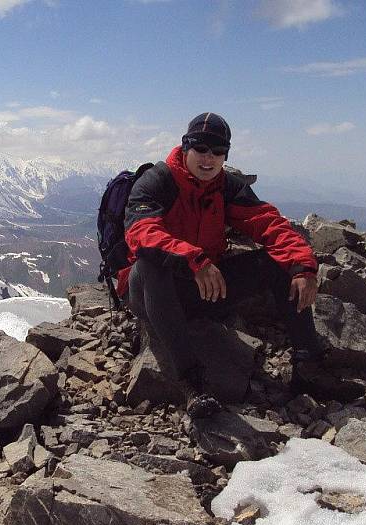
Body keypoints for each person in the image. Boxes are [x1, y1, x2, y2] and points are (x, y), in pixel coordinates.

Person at [116, 112, 323, 418]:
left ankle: (309, 366)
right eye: (201, 150)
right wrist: (193, 259)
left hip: (204, 289)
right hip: (154, 294)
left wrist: (303, 266)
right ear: (186, 148)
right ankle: (192, 383)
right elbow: (142, 234)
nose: (208, 159)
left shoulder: (226, 187)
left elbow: (267, 223)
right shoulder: (156, 182)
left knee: (280, 261)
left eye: (218, 152)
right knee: (149, 263)